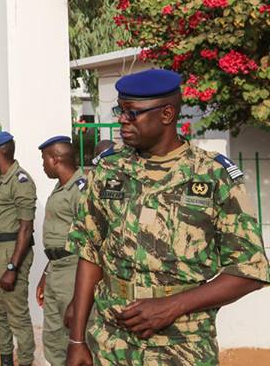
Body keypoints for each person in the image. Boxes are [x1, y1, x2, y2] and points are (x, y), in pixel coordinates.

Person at [66, 69, 270, 366]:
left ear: (166, 114)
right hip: (111, 339)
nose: (122, 119)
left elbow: (250, 270)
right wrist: (77, 338)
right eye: (119, 110)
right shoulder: (109, 170)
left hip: (182, 345)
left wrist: (171, 306)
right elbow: (90, 251)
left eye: (132, 113)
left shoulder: (212, 175)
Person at [0, 131, 36, 366]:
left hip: (12, 251)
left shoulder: (20, 181)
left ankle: (25, 361)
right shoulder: (2, 177)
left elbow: (26, 228)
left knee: (17, 314)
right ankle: (6, 359)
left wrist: (13, 267)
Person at [35, 135, 88, 366]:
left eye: (44, 160)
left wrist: (78, 297)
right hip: (57, 269)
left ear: (55, 159)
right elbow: (60, 238)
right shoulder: (61, 187)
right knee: (54, 336)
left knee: (74, 336)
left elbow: (91, 242)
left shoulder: (81, 188)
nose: (43, 165)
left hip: (74, 271)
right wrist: (46, 274)